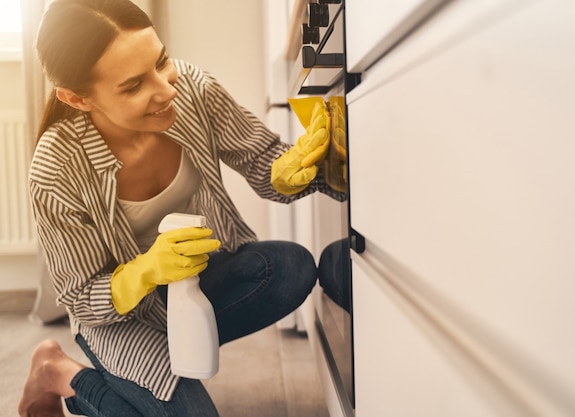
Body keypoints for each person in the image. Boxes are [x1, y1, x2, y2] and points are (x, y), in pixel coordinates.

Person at [18, 0, 341, 416]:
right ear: (79, 99)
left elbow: (263, 160)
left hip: (199, 285)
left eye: (161, 61)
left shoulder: (193, 89)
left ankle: (162, 370)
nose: (167, 89)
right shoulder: (56, 165)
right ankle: (58, 371)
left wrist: (289, 168)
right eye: (134, 86)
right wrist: (146, 269)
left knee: (288, 269)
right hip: (123, 318)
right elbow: (80, 297)